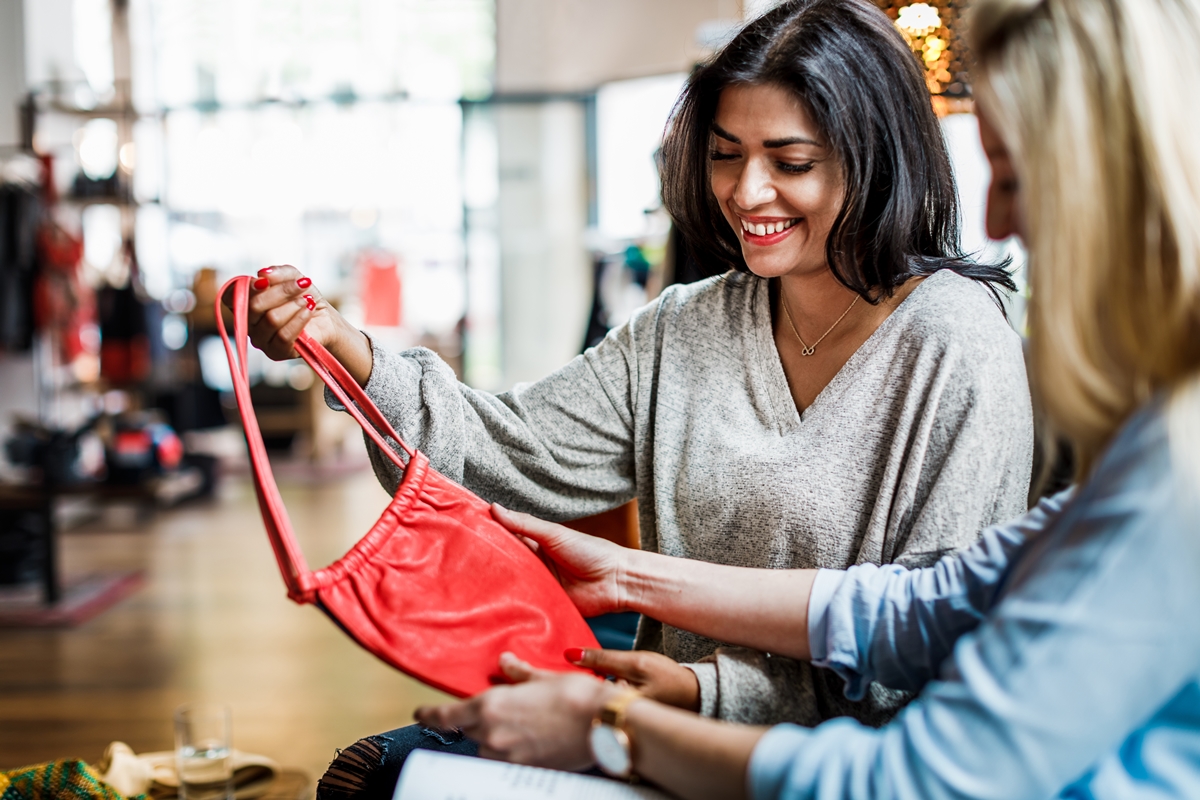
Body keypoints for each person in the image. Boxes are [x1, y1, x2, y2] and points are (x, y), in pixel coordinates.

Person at [411, 0, 1200, 796]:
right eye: (727, 155)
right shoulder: (1156, 445)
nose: (994, 216)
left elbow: (918, 772)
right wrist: (630, 578)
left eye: (1017, 175)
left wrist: (624, 724)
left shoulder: (1164, 459)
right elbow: (925, 606)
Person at [245, 0, 1032, 790]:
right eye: (727, 155)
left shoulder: (957, 342)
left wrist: (704, 692)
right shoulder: (686, 326)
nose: (748, 192)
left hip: (817, 767)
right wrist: (345, 350)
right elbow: (507, 452)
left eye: (790, 162)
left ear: (878, 157)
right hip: (647, 728)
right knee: (372, 777)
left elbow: (937, 644)